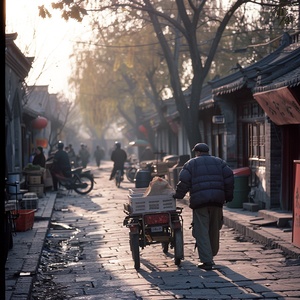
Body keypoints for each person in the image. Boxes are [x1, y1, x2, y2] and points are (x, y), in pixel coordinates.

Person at [173, 143, 234, 270]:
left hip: (200, 203)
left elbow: (184, 181)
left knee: (201, 231)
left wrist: (178, 195)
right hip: (217, 201)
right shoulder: (220, 162)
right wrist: (228, 196)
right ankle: (211, 254)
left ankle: (207, 261)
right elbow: (229, 178)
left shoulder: (191, 164)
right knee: (214, 229)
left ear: (197, 152)